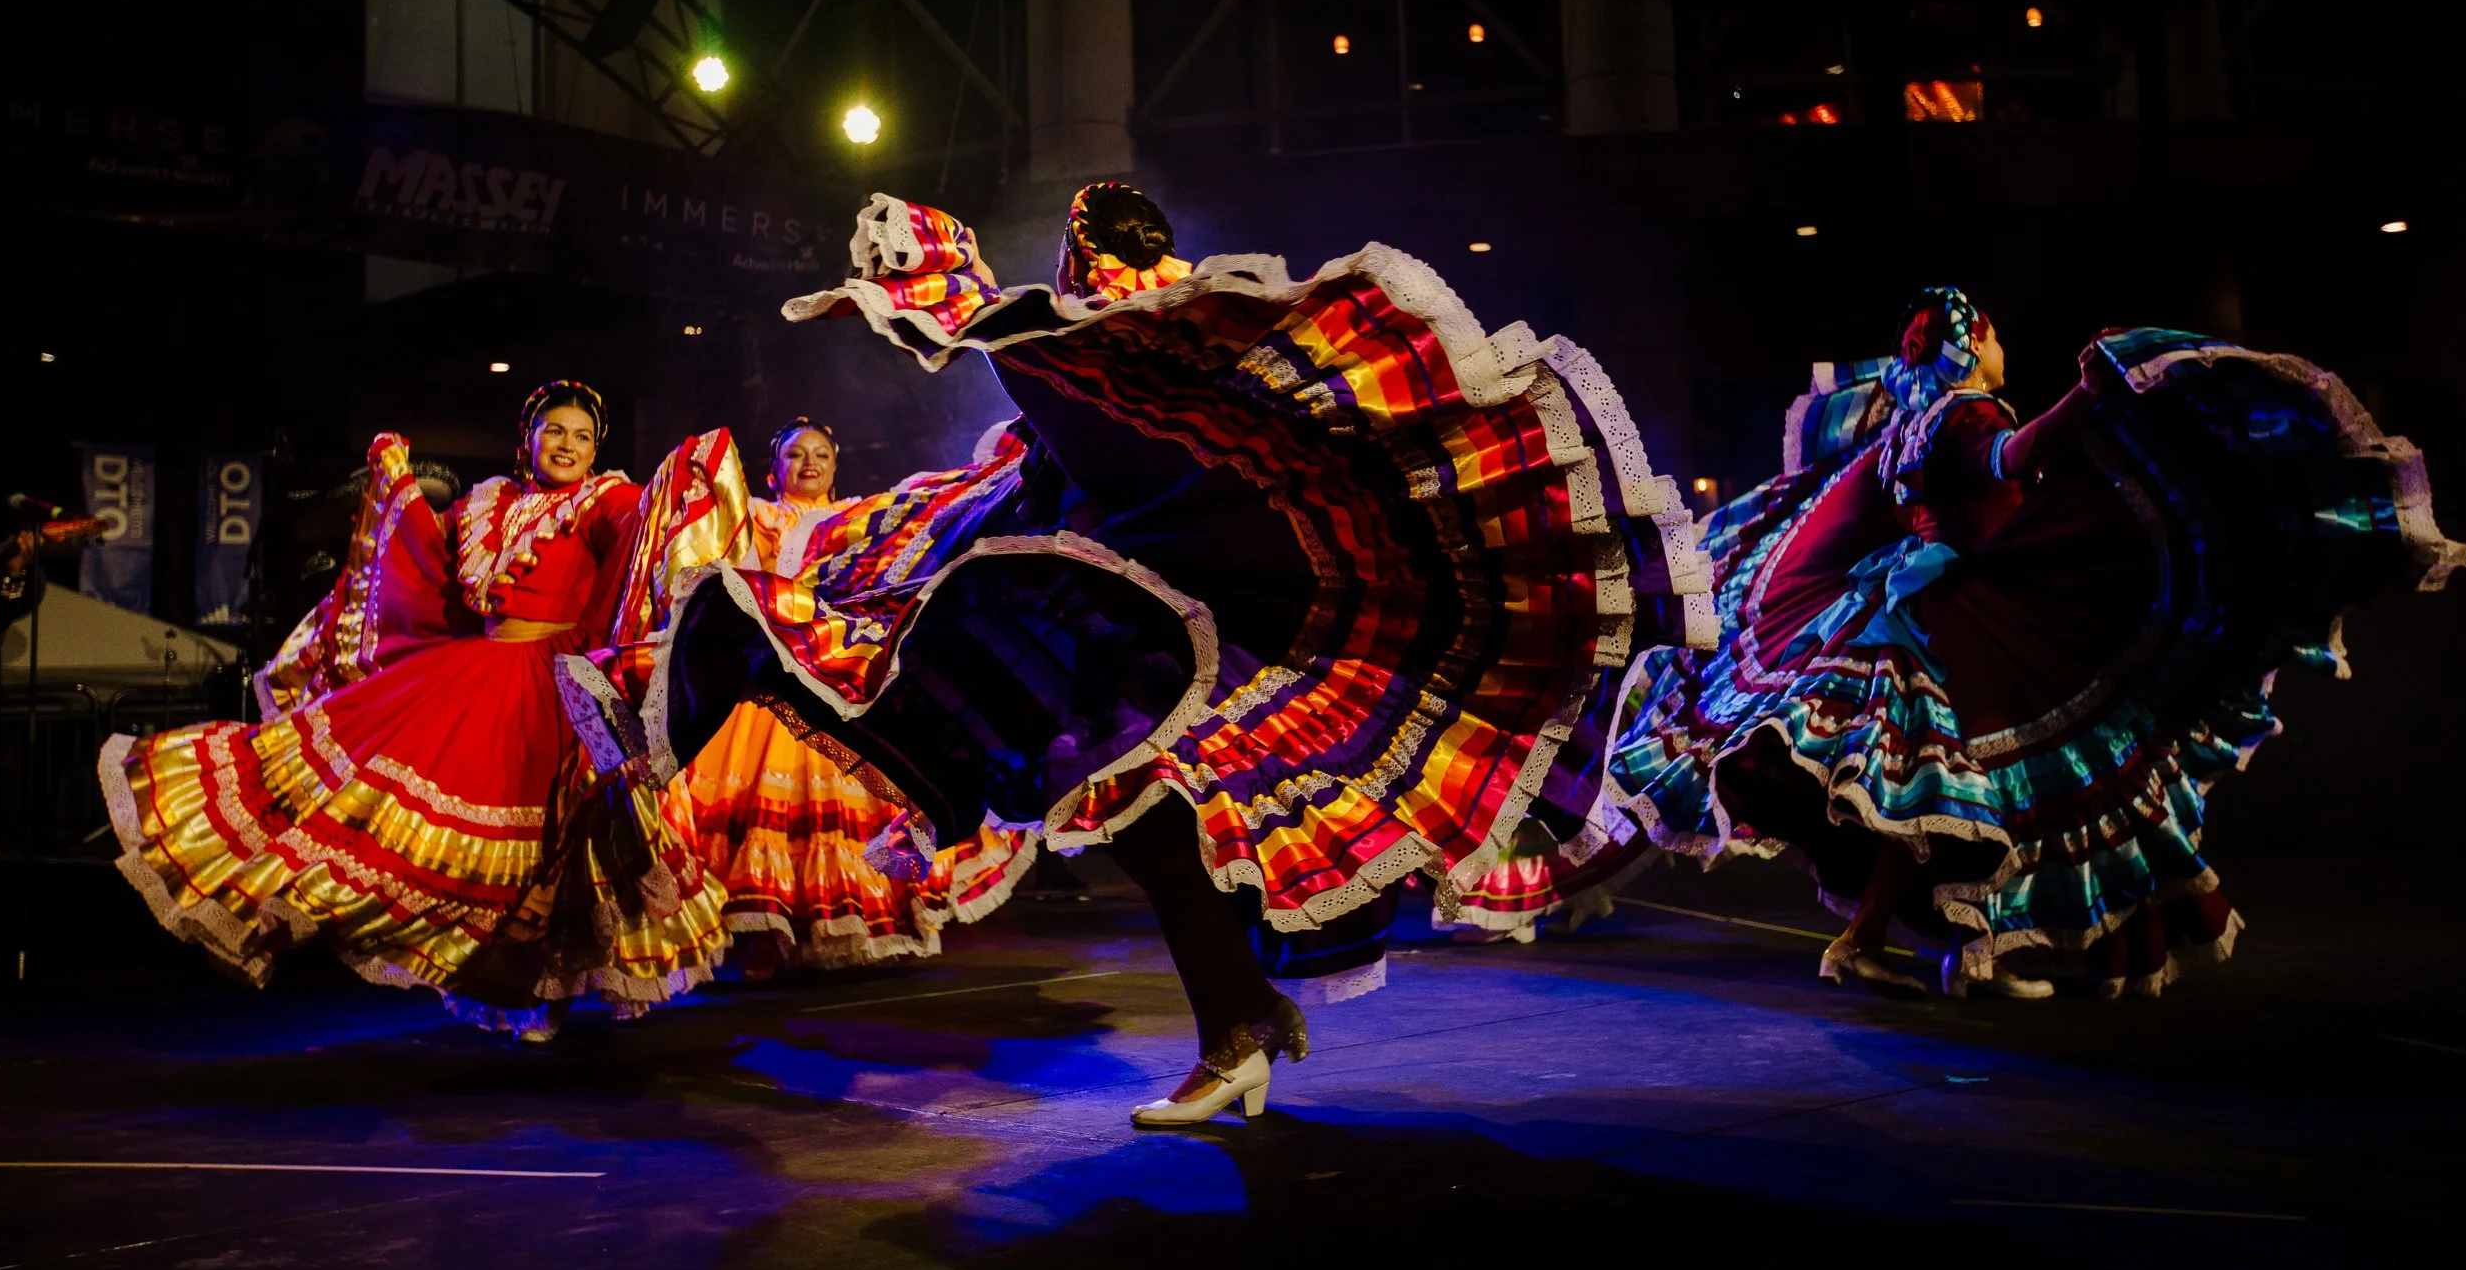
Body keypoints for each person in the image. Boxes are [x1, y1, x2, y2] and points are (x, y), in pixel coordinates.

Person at [562, 182, 1710, 1122]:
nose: (1114, 262)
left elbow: (1018, 333)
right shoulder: (1123, 355)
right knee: (1135, 808)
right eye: (1109, 248)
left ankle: (1240, 1020)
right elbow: (1029, 401)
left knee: (1161, 815)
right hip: (1131, 617)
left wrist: (923, 286)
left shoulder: (1147, 340)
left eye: (1116, 248)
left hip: (1180, 624)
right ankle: (1241, 1019)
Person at [1602, 289, 2464, 997]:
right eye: (1996, 332)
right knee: (1994, 792)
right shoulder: (1968, 415)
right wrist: (2092, 394)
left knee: (1944, 799)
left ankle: (1914, 943)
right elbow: (2014, 459)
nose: (2004, 344)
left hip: (1930, 608)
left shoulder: (1912, 424)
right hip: (1954, 621)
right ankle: (1965, 947)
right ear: (1972, 342)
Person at [101, 381, 727, 1037]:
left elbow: (644, 534)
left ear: (596, 450)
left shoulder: (605, 500)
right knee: (418, 826)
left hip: (558, 680)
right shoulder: (488, 502)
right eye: (555, 430)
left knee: (558, 843)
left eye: (581, 436)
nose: (567, 445)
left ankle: (550, 986)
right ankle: (311, 908)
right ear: (528, 439)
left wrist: (687, 474)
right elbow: (424, 564)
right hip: (476, 673)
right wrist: (395, 493)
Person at [662, 415, 1035, 975]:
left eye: (820, 454)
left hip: (841, 679)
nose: (808, 463)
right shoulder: (758, 518)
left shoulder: (858, 517)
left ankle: (864, 922)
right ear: (774, 468)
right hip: (776, 681)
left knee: (867, 800)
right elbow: (711, 550)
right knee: (761, 818)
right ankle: (769, 937)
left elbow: (923, 517)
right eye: (795, 455)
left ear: (836, 466)